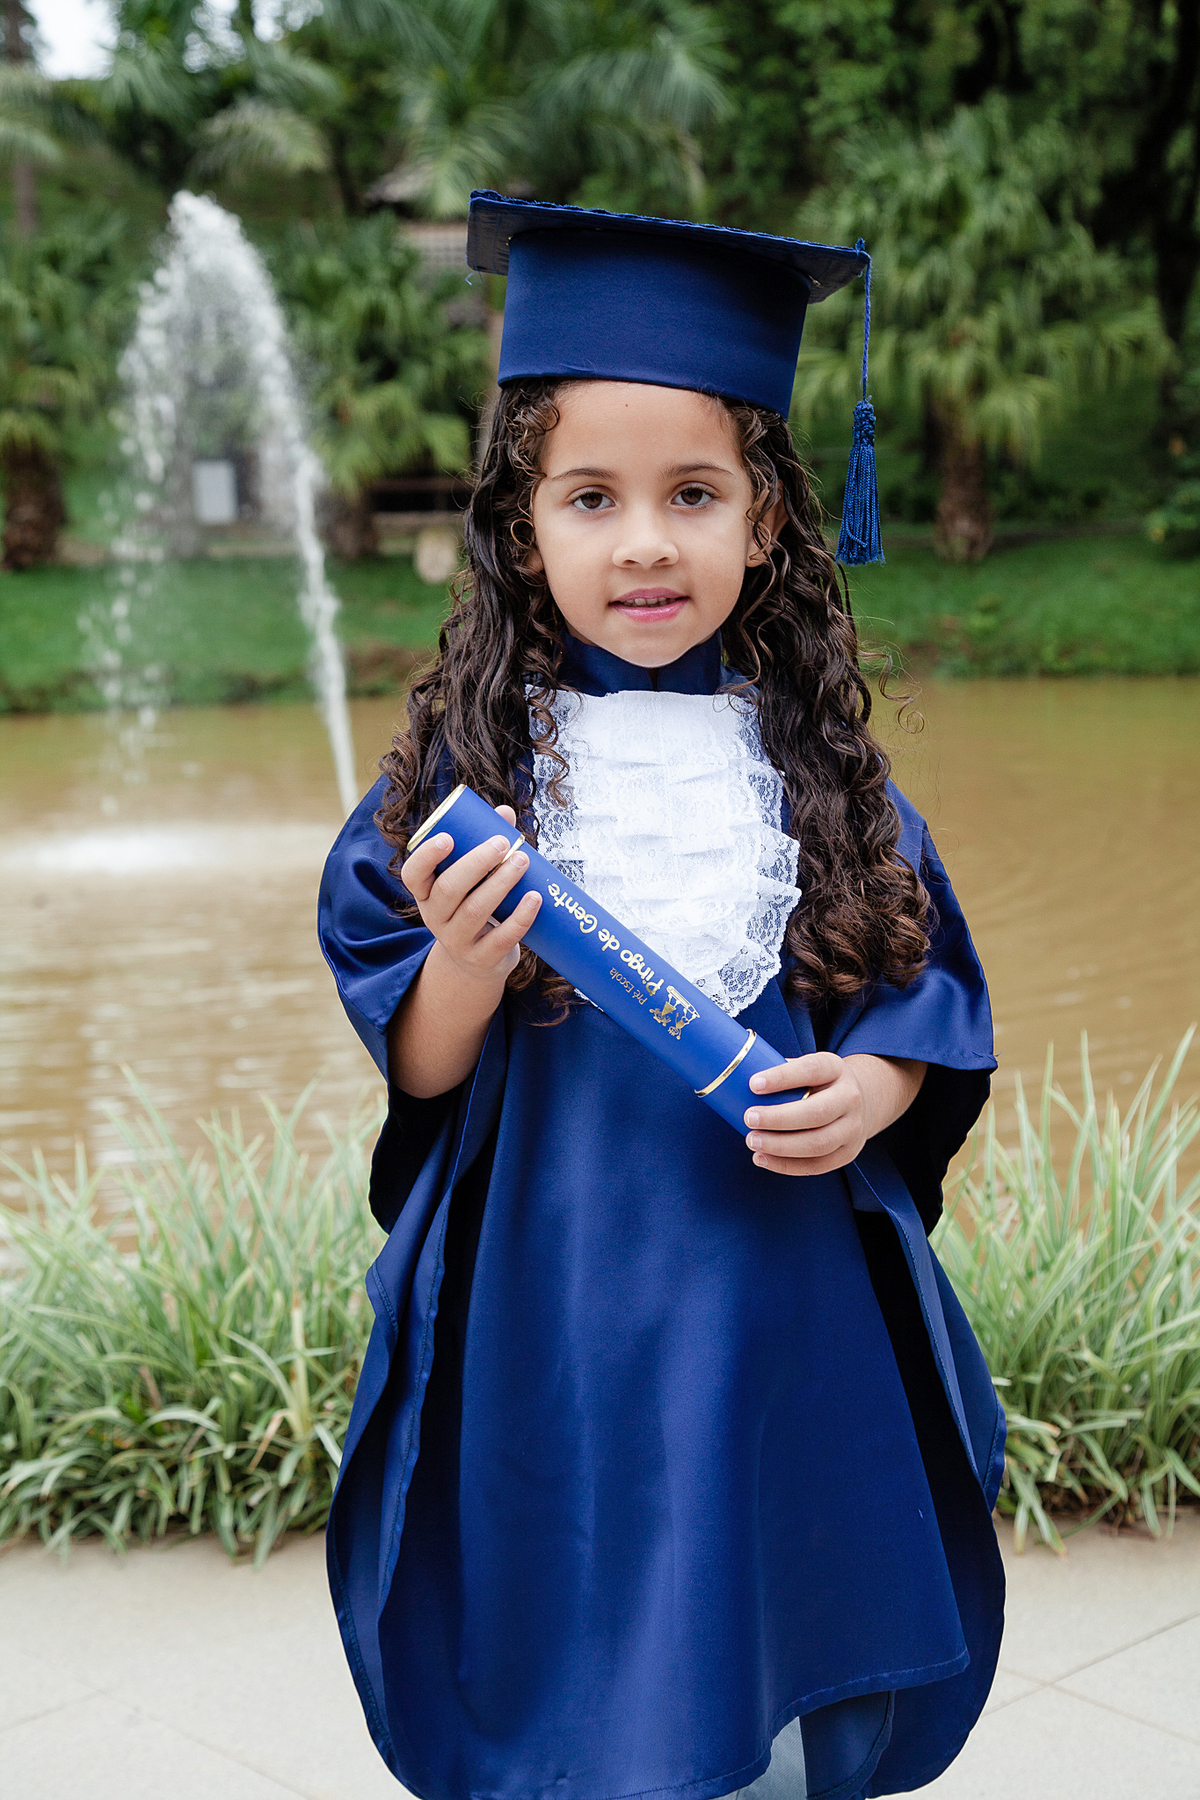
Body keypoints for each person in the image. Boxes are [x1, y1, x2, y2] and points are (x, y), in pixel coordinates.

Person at [318, 191, 1004, 1800]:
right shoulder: (464, 785)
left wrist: (873, 1092)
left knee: (763, 1622)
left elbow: (920, 992)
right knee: (588, 1628)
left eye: (694, 493)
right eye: (591, 497)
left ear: (765, 523)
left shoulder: (815, 771)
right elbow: (419, 1064)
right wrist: (466, 967)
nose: (644, 542)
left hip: (776, 1297)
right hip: (552, 1295)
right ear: (523, 528)